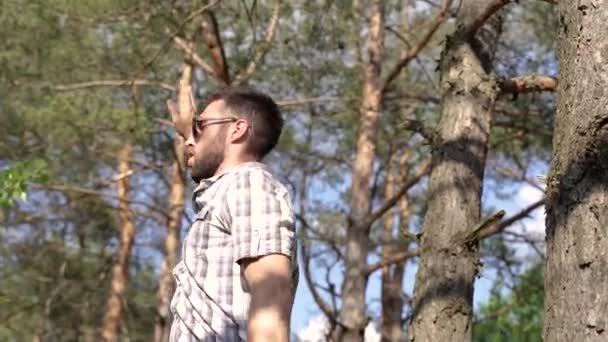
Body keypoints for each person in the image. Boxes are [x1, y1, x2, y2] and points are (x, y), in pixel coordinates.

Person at [166, 86, 298, 341]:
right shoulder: (228, 192)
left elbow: (271, 292)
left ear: (237, 130)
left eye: (201, 125)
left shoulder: (250, 184)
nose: (190, 140)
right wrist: (192, 133)